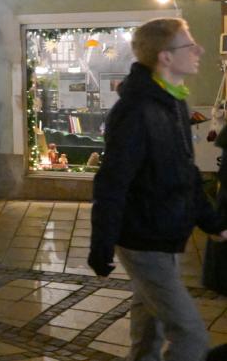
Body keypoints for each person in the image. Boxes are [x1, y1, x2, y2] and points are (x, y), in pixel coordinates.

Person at [89, 18, 224, 361]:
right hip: (143, 239)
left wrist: (211, 222)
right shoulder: (136, 110)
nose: (200, 50)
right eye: (190, 45)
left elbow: (186, 172)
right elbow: (112, 181)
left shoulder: (173, 102)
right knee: (191, 336)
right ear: (165, 56)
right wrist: (102, 243)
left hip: (165, 235)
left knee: (150, 330)